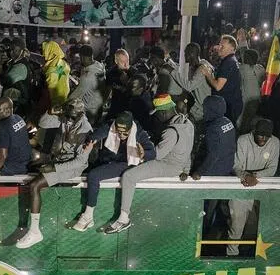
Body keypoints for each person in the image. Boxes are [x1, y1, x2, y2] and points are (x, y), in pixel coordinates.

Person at [101, 90, 194, 234]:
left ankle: (124, 218)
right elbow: (189, 149)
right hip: (180, 166)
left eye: (157, 113)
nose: (156, 117)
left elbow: (157, 155)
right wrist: (186, 170)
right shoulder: (188, 124)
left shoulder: (170, 132)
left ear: (163, 113)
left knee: (129, 176)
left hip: (167, 165)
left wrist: (142, 150)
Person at [16, 99, 94, 248]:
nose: (69, 120)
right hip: (58, 159)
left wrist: (54, 168)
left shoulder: (85, 129)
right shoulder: (64, 118)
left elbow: (79, 162)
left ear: (80, 114)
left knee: (34, 185)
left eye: (72, 117)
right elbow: (44, 123)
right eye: (67, 116)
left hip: (72, 166)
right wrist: (51, 111)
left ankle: (34, 231)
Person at [70, 111, 155, 231]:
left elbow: (152, 153)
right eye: (118, 132)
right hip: (110, 160)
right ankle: (87, 214)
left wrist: (144, 153)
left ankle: (88, 215)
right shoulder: (110, 126)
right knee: (90, 170)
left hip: (127, 163)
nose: (121, 135)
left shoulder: (139, 132)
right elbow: (97, 134)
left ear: (131, 128)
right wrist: (91, 140)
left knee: (94, 175)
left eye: (125, 133)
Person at [227, 118, 279, 255]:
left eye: (266, 136)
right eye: (260, 135)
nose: (263, 139)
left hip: (261, 188)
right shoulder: (243, 140)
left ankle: (253, 257)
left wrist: (255, 176)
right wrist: (246, 176)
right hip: (242, 186)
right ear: (254, 131)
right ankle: (231, 257)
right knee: (236, 226)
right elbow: (236, 166)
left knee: (258, 225)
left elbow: (272, 169)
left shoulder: (275, 142)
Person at [190, 94, 237, 179]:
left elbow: (213, 155)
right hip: (227, 167)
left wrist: (199, 172)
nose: (203, 111)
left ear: (210, 109)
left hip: (214, 172)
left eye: (205, 108)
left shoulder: (212, 128)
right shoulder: (228, 122)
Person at [201, 34, 244, 125]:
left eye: (222, 46)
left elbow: (218, 86)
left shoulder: (228, 62)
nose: (219, 47)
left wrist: (207, 74)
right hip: (231, 104)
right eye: (219, 45)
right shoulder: (230, 60)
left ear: (231, 48)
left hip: (228, 107)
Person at [171, 42, 213, 124]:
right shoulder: (192, 67)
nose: (184, 55)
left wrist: (172, 71)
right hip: (196, 106)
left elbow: (189, 86)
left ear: (192, 54)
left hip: (202, 109)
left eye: (185, 53)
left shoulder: (202, 68)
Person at [67, 44, 105, 121]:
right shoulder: (99, 66)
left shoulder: (88, 76)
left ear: (82, 57)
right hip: (99, 107)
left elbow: (75, 95)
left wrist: (63, 103)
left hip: (89, 111)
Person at [42, 40, 71, 112]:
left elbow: (50, 92)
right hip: (65, 97)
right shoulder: (64, 63)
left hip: (55, 104)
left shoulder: (51, 70)